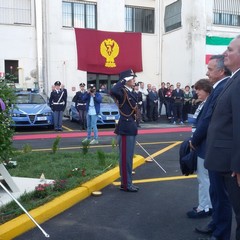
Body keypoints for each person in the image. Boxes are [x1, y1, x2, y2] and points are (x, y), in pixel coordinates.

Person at [191, 55, 231, 239]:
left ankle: (221, 232)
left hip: (215, 148)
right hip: (212, 147)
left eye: (210, 69)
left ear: (221, 71)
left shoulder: (224, 87)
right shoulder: (219, 87)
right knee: (215, 192)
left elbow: (209, 119)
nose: (207, 73)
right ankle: (215, 224)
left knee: (220, 194)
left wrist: (195, 139)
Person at [205, 35, 240, 240]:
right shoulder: (234, 78)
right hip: (224, 160)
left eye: (230, 49)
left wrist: (238, 166)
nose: (225, 53)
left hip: (231, 164)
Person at [110, 69, 139, 192]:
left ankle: (127, 182)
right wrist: (122, 80)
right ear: (126, 80)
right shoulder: (121, 91)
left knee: (129, 157)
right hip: (126, 129)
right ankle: (126, 184)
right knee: (125, 158)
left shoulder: (130, 91)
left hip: (131, 127)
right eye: (132, 78)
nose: (134, 80)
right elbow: (113, 91)